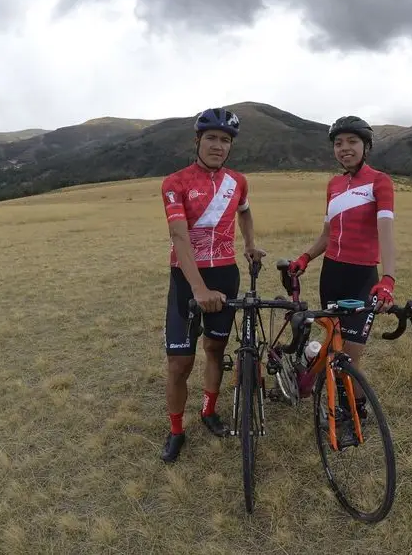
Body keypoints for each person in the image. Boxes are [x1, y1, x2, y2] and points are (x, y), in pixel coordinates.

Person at [159, 107, 265, 463]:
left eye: (225, 140)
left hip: (225, 274)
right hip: (188, 281)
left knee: (216, 350)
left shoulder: (238, 181)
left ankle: (208, 410)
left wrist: (249, 244)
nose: (218, 146)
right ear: (197, 141)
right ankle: (176, 431)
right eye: (211, 139)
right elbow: (179, 237)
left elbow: (245, 211)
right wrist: (199, 289)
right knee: (179, 363)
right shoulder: (175, 183)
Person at [288, 115, 397, 446]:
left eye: (352, 142)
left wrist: (388, 278)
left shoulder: (380, 182)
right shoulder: (334, 185)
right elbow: (328, 233)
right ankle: (331, 398)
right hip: (331, 274)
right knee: (335, 349)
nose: (344, 148)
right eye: (338, 143)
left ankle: (355, 409)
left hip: (363, 276)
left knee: (350, 355)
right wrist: (306, 256)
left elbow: (386, 232)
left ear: (366, 146)